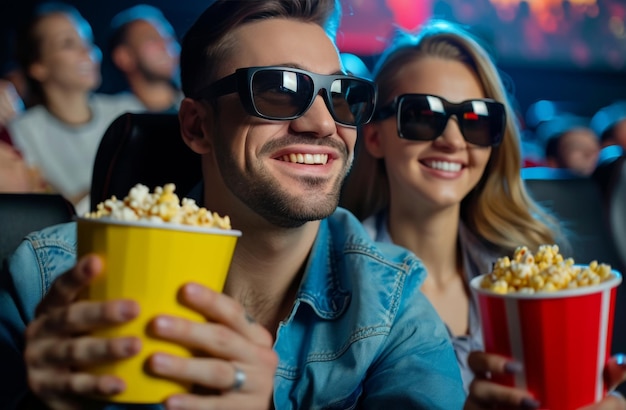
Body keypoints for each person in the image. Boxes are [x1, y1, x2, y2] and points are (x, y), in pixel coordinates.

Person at [0, 1, 466, 409]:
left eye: (343, 96)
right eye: (279, 90)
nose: (324, 124)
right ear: (198, 127)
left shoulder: (392, 306)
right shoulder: (46, 281)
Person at [340, 20, 626, 408]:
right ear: (374, 136)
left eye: (476, 120)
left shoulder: (535, 273)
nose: (453, 140)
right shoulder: (336, 284)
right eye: (423, 115)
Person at [5, 2, 142, 214]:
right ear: (38, 67)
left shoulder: (128, 111)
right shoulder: (22, 132)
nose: (87, 50)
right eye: (68, 43)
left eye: (87, 40)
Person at [107, 4, 182, 113]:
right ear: (124, 57)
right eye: (152, 39)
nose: (166, 45)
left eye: (169, 38)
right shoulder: (108, 114)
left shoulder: (200, 103)